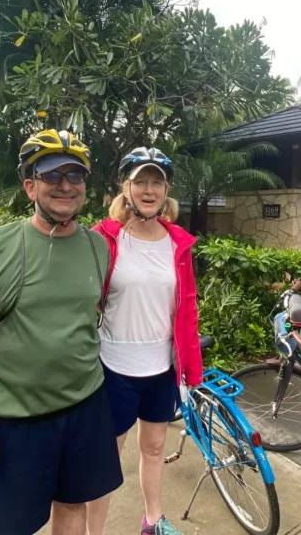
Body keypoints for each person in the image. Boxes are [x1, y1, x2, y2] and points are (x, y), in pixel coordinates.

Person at [0, 129, 123, 535]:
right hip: (16, 419)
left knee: (73, 506)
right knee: (8, 527)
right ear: (30, 186)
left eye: (75, 176)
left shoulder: (99, 248)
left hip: (85, 405)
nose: (65, 185)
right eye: (51, 175)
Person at [86, 148, 203, 535]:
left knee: (154, 449)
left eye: (157, 182)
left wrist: (190, 367)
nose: (149, 190)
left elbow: (187, 309)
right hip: (114, 368)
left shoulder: (178, 244)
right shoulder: (103, 239)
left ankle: (153, 521)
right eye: (141, 181)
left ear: (166, 189)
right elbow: (76, 294)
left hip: (161, 368)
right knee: (106, 457)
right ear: (126, 186)